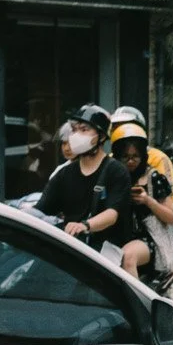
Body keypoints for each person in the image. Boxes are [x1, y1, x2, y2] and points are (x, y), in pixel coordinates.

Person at [36, 105, 131, 252]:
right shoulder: (64, 173)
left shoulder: (116, 171)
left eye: (84, 130)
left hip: (107, 249)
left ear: (102, 136)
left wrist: (85, 225)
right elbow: (41, 209)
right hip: (73, 246)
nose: (76, 135)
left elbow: (111, 214)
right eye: (74, 130)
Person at [110, 121, 173, 278]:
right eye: (125, 157)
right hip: (117, 236)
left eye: (135, 156)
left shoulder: (154, 178)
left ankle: (136, 302)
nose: (131, 161)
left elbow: (172, 217)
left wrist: (148, 201)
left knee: (127, 257)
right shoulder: (112, 178)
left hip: (150, 239)